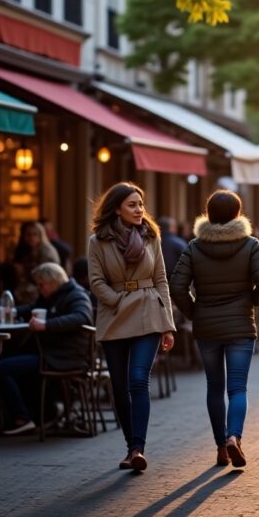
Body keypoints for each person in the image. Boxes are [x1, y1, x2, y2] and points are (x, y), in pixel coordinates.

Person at [169, 190, 259, 468]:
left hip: (207, 328)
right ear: (238, 214)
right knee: (237, 388)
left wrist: (195, 312)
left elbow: (177, 287)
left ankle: (220, 448)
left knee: (214, 387)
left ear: (209, 214)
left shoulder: (194, 246)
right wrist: (250, 303)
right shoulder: (250, 244)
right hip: (240, 325)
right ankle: (233, 437)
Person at [86, 182, 177, 472]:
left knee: (138, 379)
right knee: (119, 385)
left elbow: (161, 279)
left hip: (149, 311)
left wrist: (168, 325)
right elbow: (96, 281)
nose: (140, 210)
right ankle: (129, 445)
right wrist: (118, 301)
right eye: (132, 205)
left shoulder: (151, 235)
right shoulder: (97, 241)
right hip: (114, 315)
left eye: (141, 204)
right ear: (116, 209)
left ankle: (138, 448)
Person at [0, 263, 93, 435]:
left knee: (0, 368)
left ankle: (22, 418)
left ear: (53, 281)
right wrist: (13, 311)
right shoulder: (52, 295)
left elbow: (82, 317)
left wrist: (46, 325)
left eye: (41, 284)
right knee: (10, 360)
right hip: (48, 353)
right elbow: (34, 308)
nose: (38, 289)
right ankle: (44, 414)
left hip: (63, 357)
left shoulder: (76, 295)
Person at [11, 222, 61, 306]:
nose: (31, 238)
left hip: (46, 287)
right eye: (28, 234)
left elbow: (47, 277)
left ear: (41, 236)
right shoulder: (26, 251)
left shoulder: (47, 252)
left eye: (35, 234)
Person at [158, 217, 189, 282]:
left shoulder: (151, 242)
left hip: (157, 280)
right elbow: (188, 261)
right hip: (175, 279)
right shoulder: (179, 242)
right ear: (171, 228)